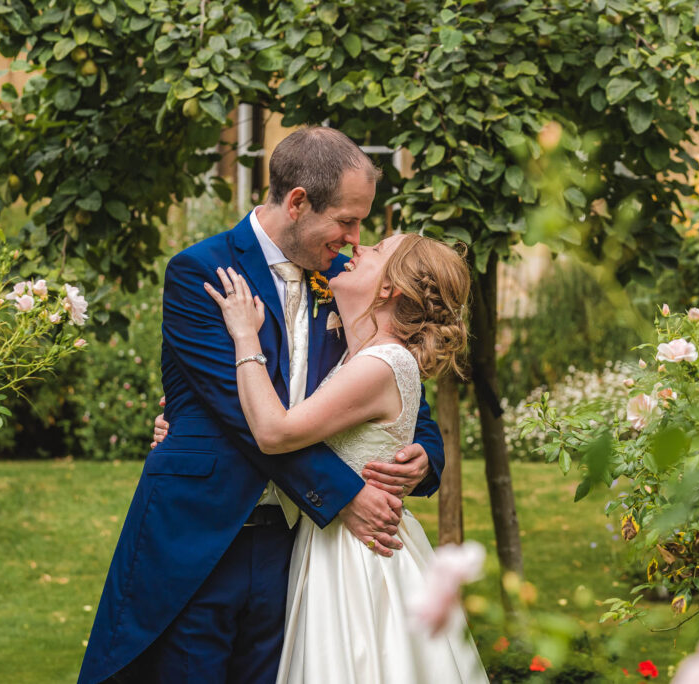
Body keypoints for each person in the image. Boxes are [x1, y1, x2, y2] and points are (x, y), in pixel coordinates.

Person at [78, 127, 445, 684]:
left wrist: (423, 453)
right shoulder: (202, 273)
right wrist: (347, 496)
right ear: (297, 202)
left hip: (296, 547)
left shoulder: (348, 281)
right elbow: (243, 421)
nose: (354, 238)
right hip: (203, 537)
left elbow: (398, 385)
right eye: (347, 220)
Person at [205, 232, 488, 683]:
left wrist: (244, 338)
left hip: (356, 557)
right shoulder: (369, 354)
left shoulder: (380, 364)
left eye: (375, 251)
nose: (359, 248)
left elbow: (276, 432)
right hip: (337, 540)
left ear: (391, 287)